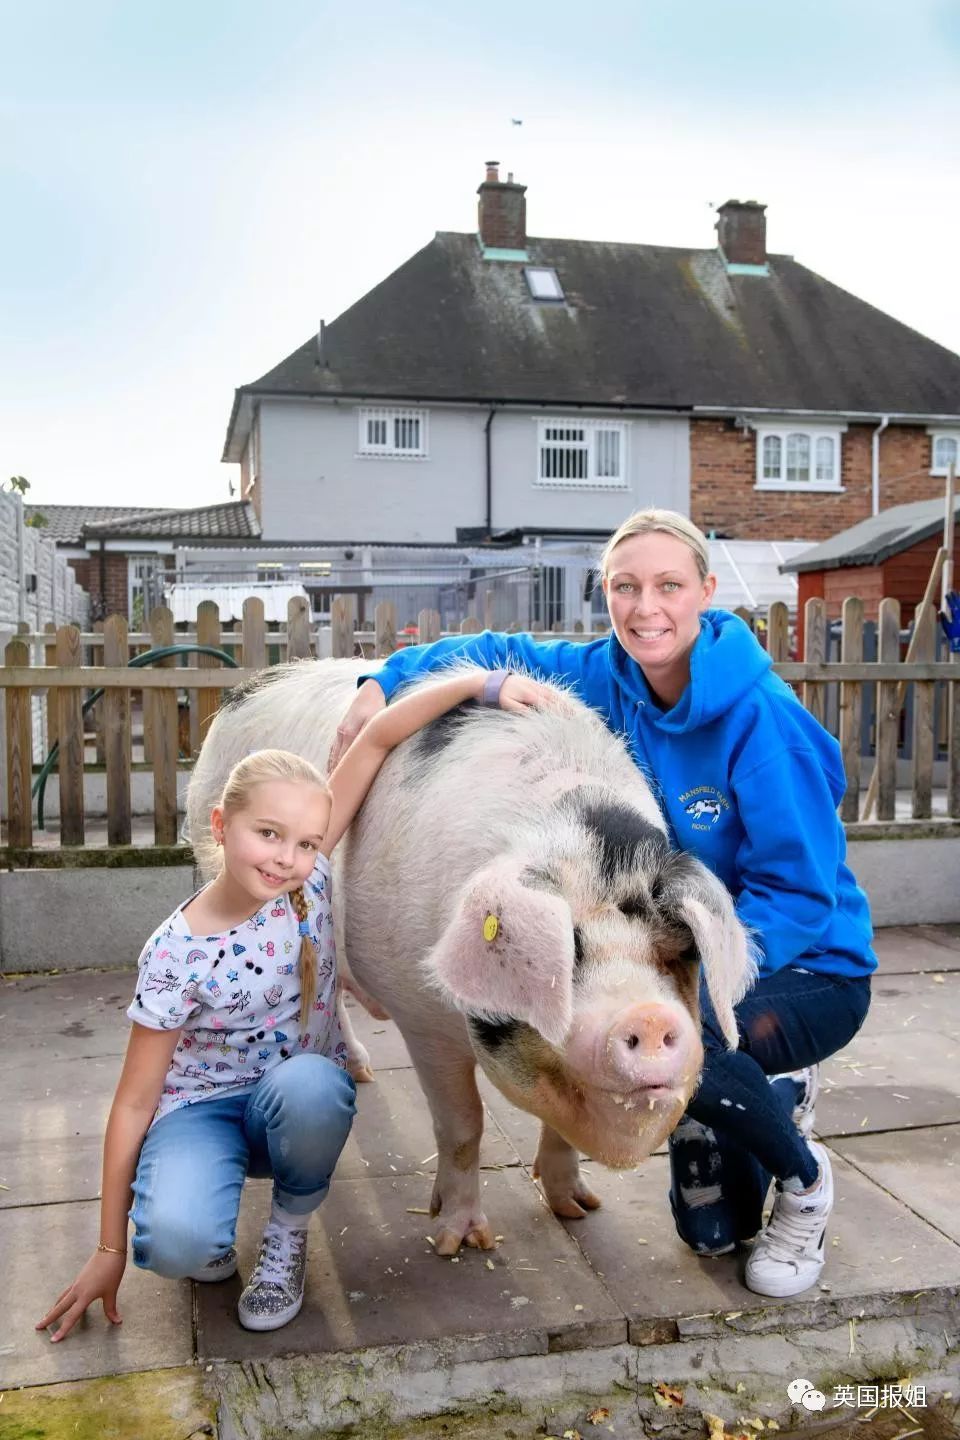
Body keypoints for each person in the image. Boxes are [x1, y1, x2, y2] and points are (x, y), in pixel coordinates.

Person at [327, 508, 876, 1299]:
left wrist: (697, 970)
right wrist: (382, 682)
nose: (645, 607)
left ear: (707, 593)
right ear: (607, 595)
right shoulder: (604, 676)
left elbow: (800, 895)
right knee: (711, 1231)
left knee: (706, 1044)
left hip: (801, 958)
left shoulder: (765, 722)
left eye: (668, 586)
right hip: (665, 948)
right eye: (626, 587)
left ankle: (805, 1179)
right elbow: (487, 652)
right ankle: (748, 1100)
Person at [37, 667, 553, 1342]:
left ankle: (287, 1233)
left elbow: (376, 738)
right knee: (175, 1249)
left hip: (290, 1103)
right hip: (201, 1111)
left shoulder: (307, 883)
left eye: (308, 842)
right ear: (221, 826)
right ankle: (206, 1231)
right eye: (268, 834)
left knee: (317, 1085)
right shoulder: (173, 953)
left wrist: (480, 685)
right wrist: (109, 1251)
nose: (287, 858)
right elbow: (135, 1102)